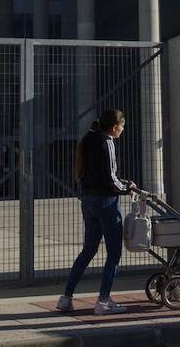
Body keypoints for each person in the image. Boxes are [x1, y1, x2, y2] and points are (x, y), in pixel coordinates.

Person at [55, 109, 136, 315]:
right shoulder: (106, 141)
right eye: (122, 126)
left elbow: (96, 174)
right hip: (106, 202)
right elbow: (110, 176)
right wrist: (127, 188)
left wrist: (122, 183)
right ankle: (103, 300)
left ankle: (66, 297)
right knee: (114, 253)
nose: (123, 130)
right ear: (114, 126)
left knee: (89, 249)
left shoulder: (88, 139)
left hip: (89, 201)